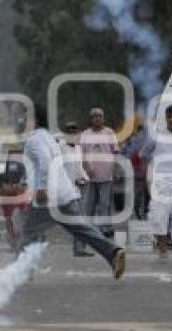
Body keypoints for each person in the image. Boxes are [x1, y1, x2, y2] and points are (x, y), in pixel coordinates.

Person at [21, 105, 126, 278]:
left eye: (26, 118)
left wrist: (41, 188)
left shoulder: (34, 140)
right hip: (66, 194)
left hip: (48, 197)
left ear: (35, 120)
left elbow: (45, 162)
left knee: (29, 232)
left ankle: (23, 272)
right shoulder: (50, 139)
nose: (24, 122)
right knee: (83, 229)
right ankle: (113, 252)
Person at [141, 104, 172, 258]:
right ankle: (162, 250)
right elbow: (144, 154)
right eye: (169, 117)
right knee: (160, 216)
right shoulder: (157, 135)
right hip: (160, 181)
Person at [80, 107, 119, 236]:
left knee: (105, 203)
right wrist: (86, 168)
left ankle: (106, 228)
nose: (97, 118)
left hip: (106, 174)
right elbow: (81, 154)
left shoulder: (109, 133)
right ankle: (88, 229)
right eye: (94, 116)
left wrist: (115, 170)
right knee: (89, 203)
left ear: (103, 118)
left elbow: (115, 153)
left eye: (100, 116)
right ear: (91, 119)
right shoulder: (85, 134)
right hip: (90, 175)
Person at [62, 122, 92, 257]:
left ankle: (80, 249)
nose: (73, 135)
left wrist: (85, 178)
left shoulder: (78, 149)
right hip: (62, 191)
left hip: (76, 190)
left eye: (75, 133)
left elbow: (79, 169)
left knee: (80, 219)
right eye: (70, 132)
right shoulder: (60, 148)